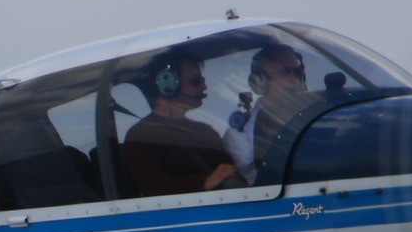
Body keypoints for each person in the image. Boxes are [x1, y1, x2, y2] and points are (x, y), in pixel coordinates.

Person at [121, 55, 241, 197]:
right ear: (168, 83)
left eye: (202, 80)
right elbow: (152, 187)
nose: (204, 86)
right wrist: (204, 183)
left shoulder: (205, 131)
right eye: (196, 81)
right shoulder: (141, 135)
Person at [223, 42, 311, 180]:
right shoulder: (240, 134)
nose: (294, 79)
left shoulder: (314, 116)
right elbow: (256, 182)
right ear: (259, 81)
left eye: (298, 71)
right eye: (285, 72)